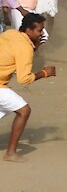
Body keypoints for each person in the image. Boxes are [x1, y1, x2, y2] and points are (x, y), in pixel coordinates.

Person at [0, 13, 56, 162]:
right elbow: (24, 79)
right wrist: (45, 73)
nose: (42, 33)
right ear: (29, 30)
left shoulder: (11, 33)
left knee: (6, 107)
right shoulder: (25, 48)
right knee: (24, 110)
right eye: (39, 31)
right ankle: (11, 153)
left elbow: (19, 51)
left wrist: (35, 45)